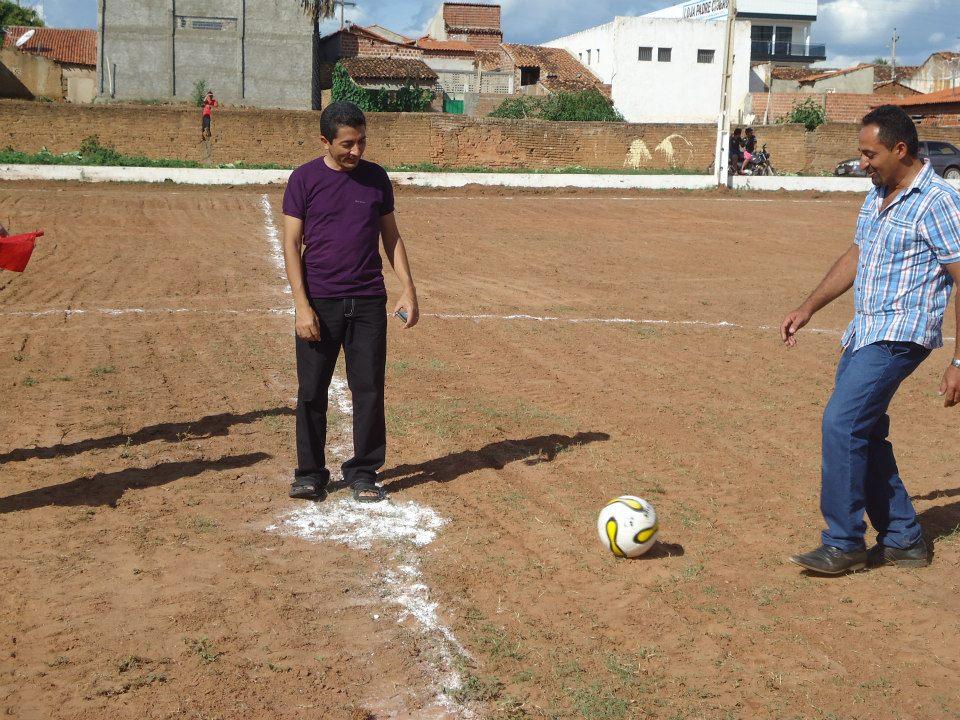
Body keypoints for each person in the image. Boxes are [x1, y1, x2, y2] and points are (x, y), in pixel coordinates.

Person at [780, 105, 960, 575]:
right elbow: (857, 254)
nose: (863, 162)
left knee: (841, 424)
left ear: (900, 149)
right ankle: (904, 539)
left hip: (901, 334)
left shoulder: (938, 201)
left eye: (870, 154)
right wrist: (808, 307)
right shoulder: (878, 193)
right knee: (865, 431)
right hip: (866, 331)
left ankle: (843, 542)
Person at [281, 101, 419, 504]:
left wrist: (408, 288)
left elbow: (391, 236)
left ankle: (363, 472)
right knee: (312, 391)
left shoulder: (377, 178)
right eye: (347, 144)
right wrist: (302, 306)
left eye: (361, 142)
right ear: (325, 141)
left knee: (369, 389)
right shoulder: (304, 179)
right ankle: (310, 473)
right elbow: (291, 243)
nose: (356, 151)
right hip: (321, 301)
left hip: (368, 301)